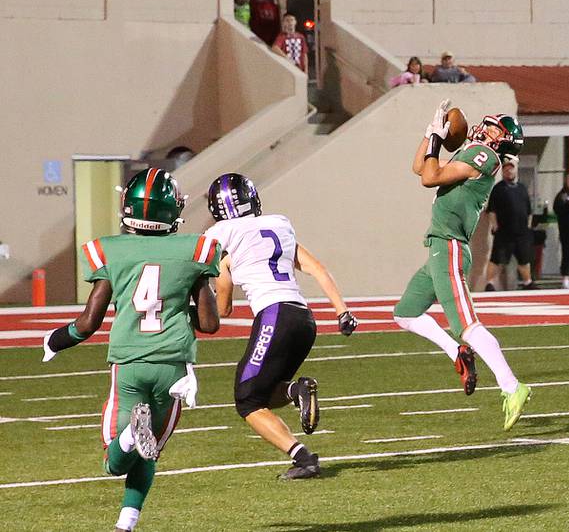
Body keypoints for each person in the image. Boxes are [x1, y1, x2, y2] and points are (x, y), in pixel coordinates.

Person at [41, 168, 220, 532]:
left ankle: (127, 436)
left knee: (115, 459)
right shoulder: (195, 249)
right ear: (172, 210)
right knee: (149, 448)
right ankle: (126, 524)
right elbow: (209, 323)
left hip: (129, 364)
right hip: (173, 367)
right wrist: (177, 305)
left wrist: (57, 340)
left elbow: (88, 322)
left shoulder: (110, 250)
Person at [204, 172, 358, 479]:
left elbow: (223, 309)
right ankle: (296, 391)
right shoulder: (279, 224)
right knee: (265, 394)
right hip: (304, 319)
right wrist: (342, 311)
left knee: (247, 400)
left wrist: (209, 283)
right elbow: (318, 268)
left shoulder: (220, 235)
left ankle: (304, 460)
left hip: (274, 315)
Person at [393, 99, 531, 431]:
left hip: (450, 246)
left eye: (492, 128)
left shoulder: (486, 156)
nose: (482, 129)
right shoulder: (472, 154)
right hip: (439, 246)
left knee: (468, 324)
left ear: (501, 140)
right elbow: (420, 168)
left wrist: (438, 141)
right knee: (406, 313)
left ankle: (513, 386)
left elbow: (430, 178)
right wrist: (430, 134)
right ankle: (458, 352)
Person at [485, 155, 537, 291]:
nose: (509, 171)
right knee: (496, 259)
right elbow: (491, 210)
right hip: (504, 232)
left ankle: (527, 282)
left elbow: (528, 210)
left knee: (524, 259)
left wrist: (528, 227)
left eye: (511, 169)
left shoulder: (522, 188)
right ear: (503, 172)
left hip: (521, 232)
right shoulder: (498, 189)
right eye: (506, 170)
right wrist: (494, 225)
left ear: (515, 171)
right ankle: (489, 283)